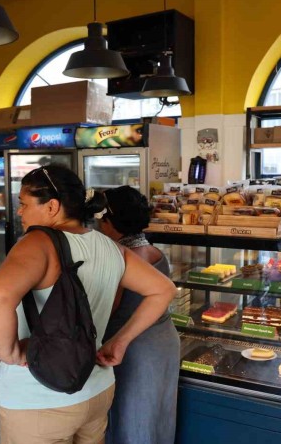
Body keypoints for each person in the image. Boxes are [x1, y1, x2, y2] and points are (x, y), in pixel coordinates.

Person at [0, 165, 176, 444]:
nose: (20, 212)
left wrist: (9, 352)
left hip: (40, 398)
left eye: (24, 204)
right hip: (96, 390)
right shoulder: (110, 247)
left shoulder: (37, 242)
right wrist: (119, 342)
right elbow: (163, 290)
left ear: (52, 206)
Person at [98, 186, 179, 444]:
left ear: (109, 222)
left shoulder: (122, 258)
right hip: (163, 341)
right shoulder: (154, 252)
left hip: (134, 346)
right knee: (156, 413)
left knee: (131, 413)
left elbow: (108, 309)